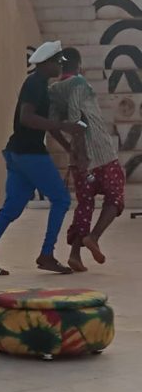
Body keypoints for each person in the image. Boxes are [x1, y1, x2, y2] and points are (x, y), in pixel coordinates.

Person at [0, 41, 84, 276]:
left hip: (17, 153)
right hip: (30, 154)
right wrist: (66, 126)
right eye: (58, 62)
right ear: (47, 63)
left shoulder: (40, 85)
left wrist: (66, 146)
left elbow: (47, 124)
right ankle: (47, 254)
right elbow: (27, 118)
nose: (61, 67)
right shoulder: (35, 84)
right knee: (61, 200)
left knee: (11, 209)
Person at [49, 47, 125, 272]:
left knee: (85, 204)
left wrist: (70, 148)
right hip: (101, 153)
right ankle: (94, 237)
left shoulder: (53, 90)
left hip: (79, 159)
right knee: (115, 195)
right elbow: (76, 118)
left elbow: (53, 125)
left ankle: (75, 255)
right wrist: (83, 151)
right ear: (79, 65)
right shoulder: (80, 83)